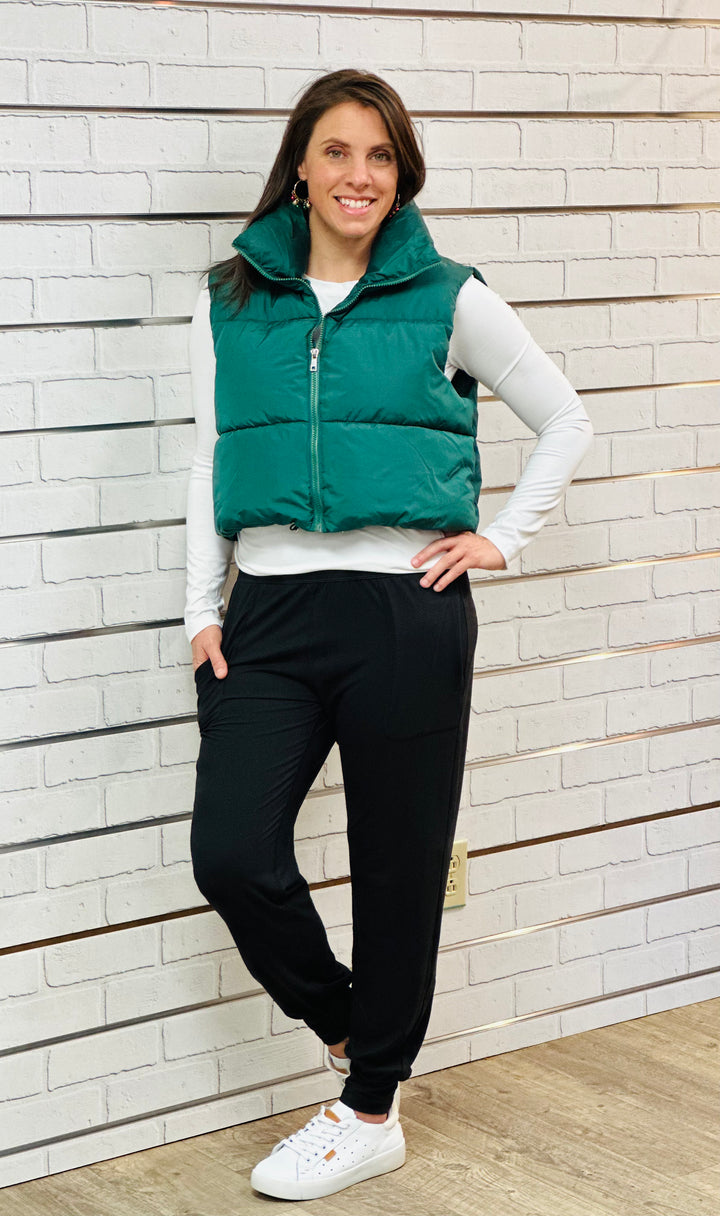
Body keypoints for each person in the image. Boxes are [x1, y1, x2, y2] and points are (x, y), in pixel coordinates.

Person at [184, 68, 593, 1201]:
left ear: (400, 175)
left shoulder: (448, 296)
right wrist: (202, 607)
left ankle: (371, 1111)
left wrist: (502, 538)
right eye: (337, 151)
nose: (358, 174)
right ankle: (354, 1028)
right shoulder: (231, 299)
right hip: (269, 612)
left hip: (405, 610)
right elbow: (207, 457)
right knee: (231, 852)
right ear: (300, 168)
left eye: (380, 156)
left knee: (400, 866)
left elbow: (564, 416)